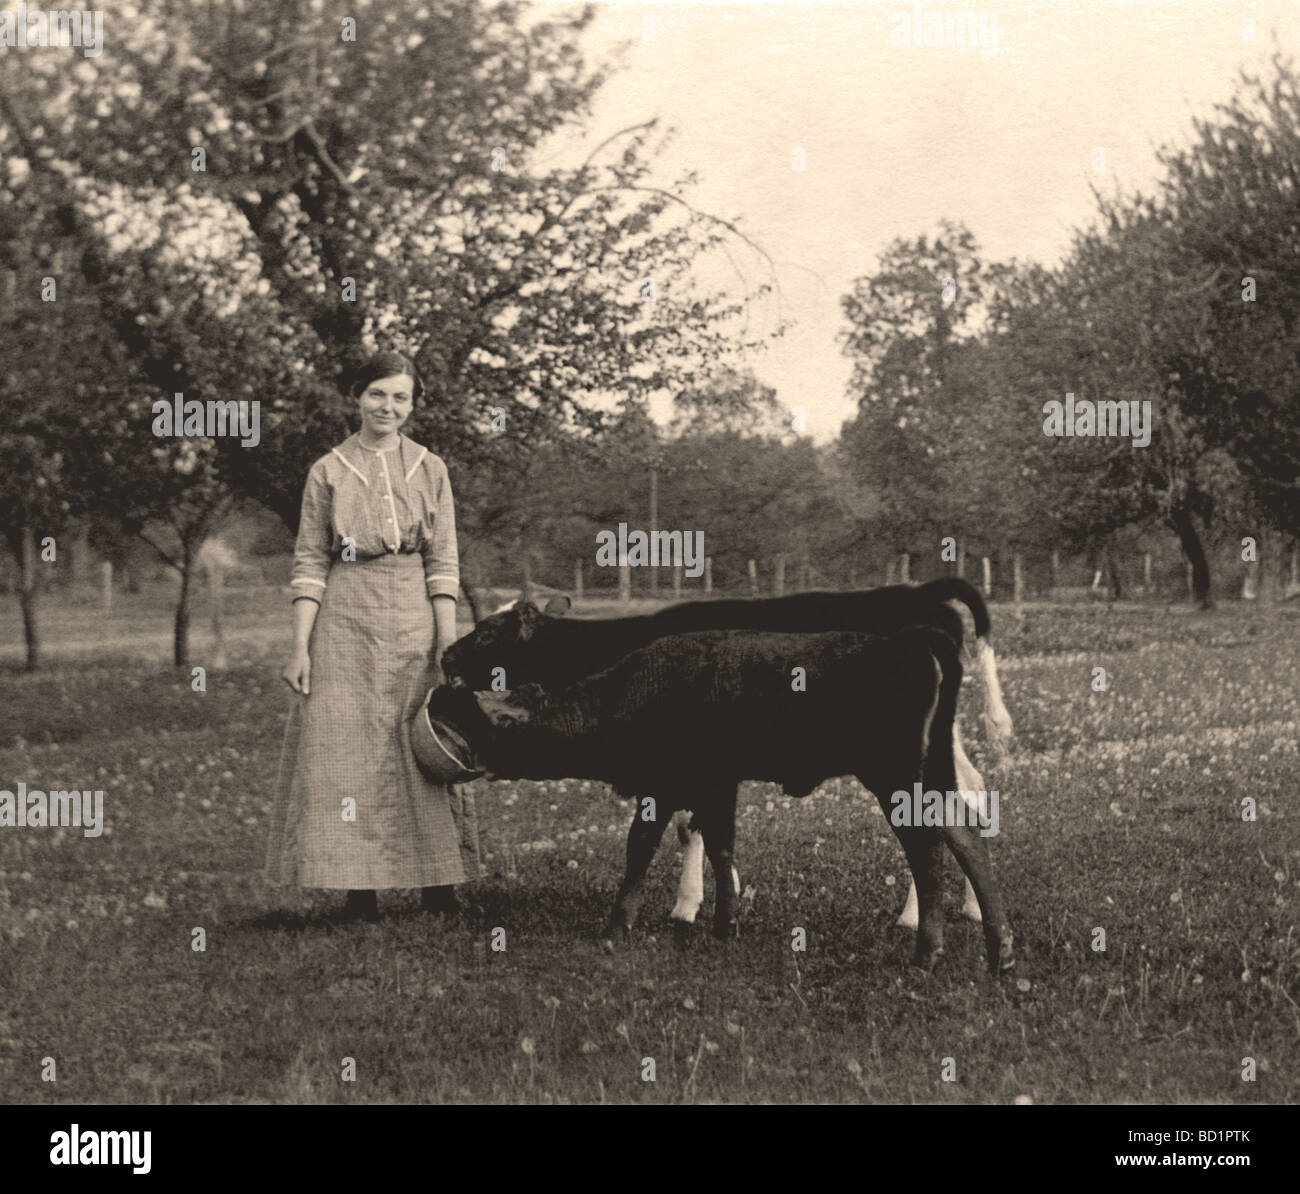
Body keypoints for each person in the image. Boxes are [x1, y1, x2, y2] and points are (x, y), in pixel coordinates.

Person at [265, 351, 479, 921]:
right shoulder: (328, 470)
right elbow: (310, 561)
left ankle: (440, 883)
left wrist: (445, 636)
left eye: (400, 397)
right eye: (377, 394)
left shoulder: (431, 468)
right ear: (357, 397)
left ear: (413, 404)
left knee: (424, 741)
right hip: (345, 619)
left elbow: (444, 559)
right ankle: (358, 889)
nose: (388, 406)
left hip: (413, 613)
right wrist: (299, 647)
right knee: (348, 750)